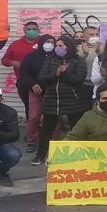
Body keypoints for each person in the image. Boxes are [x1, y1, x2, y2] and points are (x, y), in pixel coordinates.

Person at [34, 35, 89, 165]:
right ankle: (40, 155)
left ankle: (79, 154)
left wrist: (65, 73)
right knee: (47, 130)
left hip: (73, 101)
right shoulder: (51, 60)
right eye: (56, 46)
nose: (57, 48)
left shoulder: (78, 60)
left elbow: (79, 80)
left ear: (68, 47)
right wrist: (56, 74)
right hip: (52, 100)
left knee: (76, 129)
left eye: (61, 46)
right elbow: (41, 77)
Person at [18, 34, 61, 153]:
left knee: (56, 117)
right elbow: (23, 74)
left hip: (53, 92)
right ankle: (32, 141)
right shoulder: (31, 56)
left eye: (53, 42)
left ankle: (54, 140)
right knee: (33, 117)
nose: (50, 44)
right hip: (36, 91)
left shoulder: (58, 57)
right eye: (48, 41)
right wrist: (32, 84)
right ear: (41, 42)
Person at [1, 22, 41, 118]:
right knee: (29, 107)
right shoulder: (15, 44)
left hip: (42, 81)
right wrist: (12, 62)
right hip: (23, 82)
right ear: (24, 30)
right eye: (29, 29)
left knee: (45, 106)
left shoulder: (44, 43)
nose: (31, 31)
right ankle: (32, 129)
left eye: (34, 29)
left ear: (38, 30)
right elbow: (4, 60)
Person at [76, 27, 100, 103]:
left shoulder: (102, 48)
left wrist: (99, 53)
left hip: (99, 84)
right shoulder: (78, 49)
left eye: (97, 34)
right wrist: (84, 54)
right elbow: (76, 65)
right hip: (83, 84)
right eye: (92, 34)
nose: (95, 36)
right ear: (85, 37)